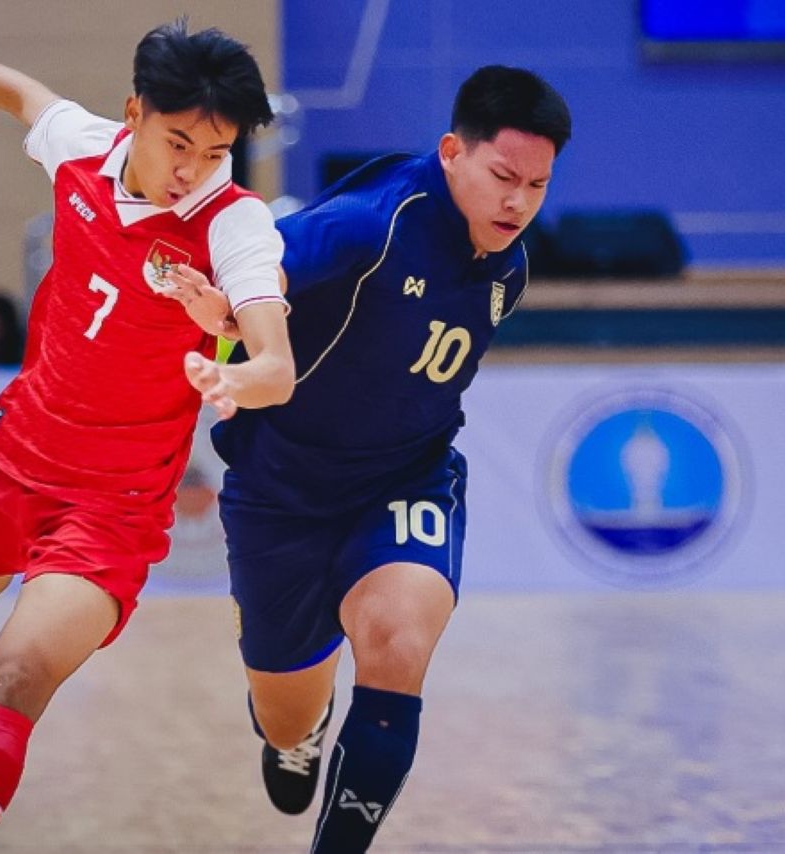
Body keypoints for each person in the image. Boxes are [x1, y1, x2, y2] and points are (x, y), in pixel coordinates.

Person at [0, 19, 293, 853]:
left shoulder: (233, 225)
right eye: (178, 144)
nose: (193, 170)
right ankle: (2, 564)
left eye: (216, 152)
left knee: (13, 678)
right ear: (134, 113)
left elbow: (275, 365)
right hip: (15, 457)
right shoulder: (82, 149)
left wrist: (231, 372)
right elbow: (22, 94)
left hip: (112, 508)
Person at [213, 65, 572, 852]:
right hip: (280, 490)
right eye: (503, 177)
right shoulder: (373, 221)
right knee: (286, 716)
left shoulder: (507, 266)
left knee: (399, 644)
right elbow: (257, 268)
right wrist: (232, 319)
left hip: (406, 478)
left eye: (537, 186)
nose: (518, 203)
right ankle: (297, 730)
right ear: (451, 152)